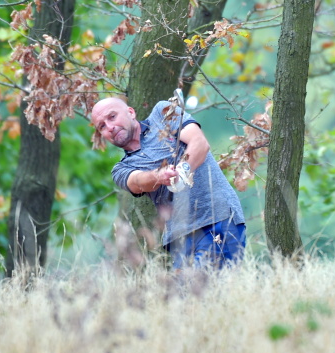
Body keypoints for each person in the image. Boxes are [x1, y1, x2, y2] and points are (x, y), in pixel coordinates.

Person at [91, 94, 246, 268]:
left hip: (217, 219)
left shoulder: (162, 112)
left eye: (112, 117)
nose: (110, 127)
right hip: (178, 239)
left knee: (204, 279)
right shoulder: (121, 169)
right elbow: (137, 181)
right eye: (102, 126)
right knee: (187, 285)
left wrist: (182, 171)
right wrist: (158, 176)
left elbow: (199, 143)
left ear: (131, 112)